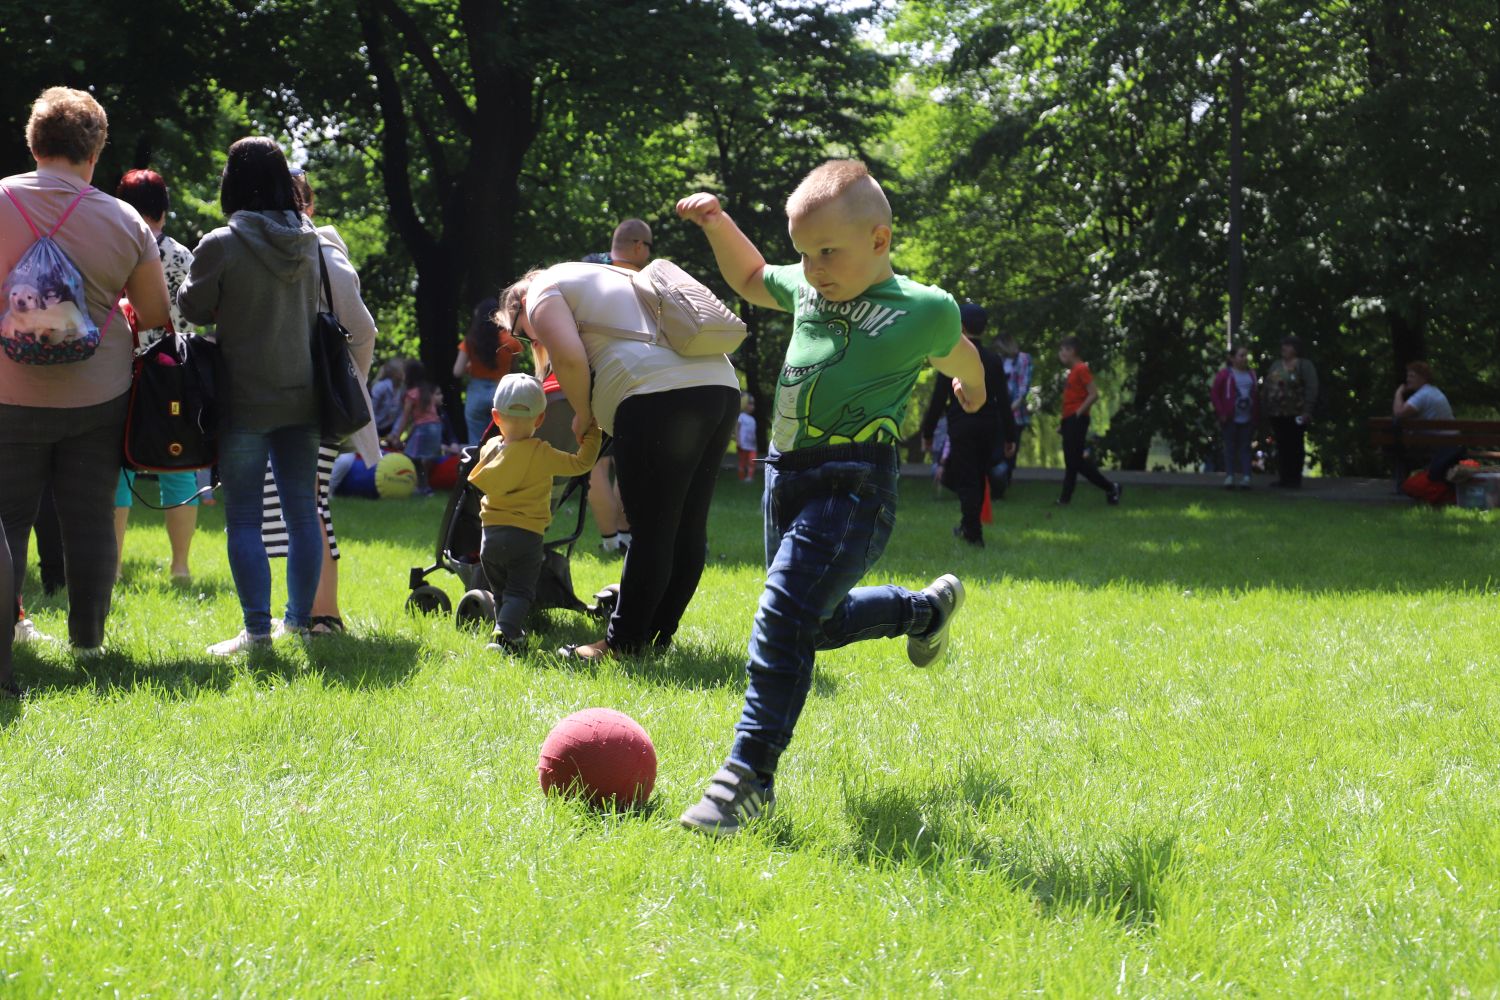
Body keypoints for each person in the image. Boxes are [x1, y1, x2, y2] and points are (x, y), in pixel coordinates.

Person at [673, 159, 987, 836]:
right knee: (811, 624)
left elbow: (959, 351)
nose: (814, 270)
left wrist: (972, 391)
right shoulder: (811, 288)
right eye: (805, 253)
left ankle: (747, 781)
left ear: (879, 240)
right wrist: (717, 223)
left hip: (855, 483)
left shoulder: (923, 307)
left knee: (781, 620)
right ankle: (922, 613)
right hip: (786, 478)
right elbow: (754, 280)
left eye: (827, 252)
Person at [0, 87, 172, 683]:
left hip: (6, 394)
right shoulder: (124, 219)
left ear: (33, 142)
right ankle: (89, 643)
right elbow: (153, 313)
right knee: (90, 518)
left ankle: (8, 637)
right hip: (97, 394)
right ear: (95, 150)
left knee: (6, 521)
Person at [495, 262, 740, 663]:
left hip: (654, 393)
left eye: (521, 331)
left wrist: (581, 413)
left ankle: (623, 643)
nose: (527, 340)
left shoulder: (539, 291)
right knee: (687, 527)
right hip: (720, 386)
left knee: (651, 528)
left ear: (519, 304)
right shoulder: (610, 274)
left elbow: (571, 359)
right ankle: (655, 638)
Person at [177, 136, 324, 656]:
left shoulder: (222, 242)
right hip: (304, 394)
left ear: (232, 182)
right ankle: (300, 624)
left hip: (243, 398)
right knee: (302, 511)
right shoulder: (309, 240)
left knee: (243, 517)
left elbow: (194, 308)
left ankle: (257, 632)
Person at [258, 168, 379, 636]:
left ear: (305, 206)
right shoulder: (288, 248)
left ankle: (323, 615)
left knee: (306, 503)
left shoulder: (322, 249)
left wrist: (350, 384)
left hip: (317, 397)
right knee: (297, 503)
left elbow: (362, 330)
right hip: (294, 395)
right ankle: (310, 611)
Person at [468, 373, 602, 651]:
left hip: (489, 538)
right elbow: (580, 464)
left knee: (502, 591)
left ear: (495, 416)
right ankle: (505, 635)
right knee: (520, 591)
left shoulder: (489, 450)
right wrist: (593, 433)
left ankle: (508, 631)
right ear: (540, 419)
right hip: (526, 537)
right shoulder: (543, 453)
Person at [112, 169, 201, 579]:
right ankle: (180, 567)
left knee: (118, 470)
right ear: (164, 209)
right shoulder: (183, 256)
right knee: (178, 469)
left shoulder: (111, 248)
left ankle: (111, 566)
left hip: (117, 369)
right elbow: (194, 319)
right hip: (172, 375)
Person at [580, 220, 652, 554]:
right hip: (636, 379)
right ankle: (625, 535)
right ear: (639, 246)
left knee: (597, 462)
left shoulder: (586, 271)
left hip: (593, 377)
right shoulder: (645, 282)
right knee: (628, 460)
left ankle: (610, 541)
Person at [920, 302, 1016, 546]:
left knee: (966, 478)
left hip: (962, 424)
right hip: (988, 424)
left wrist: (928, 431)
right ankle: (968, 524)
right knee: (978, 474)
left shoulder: (953, 357)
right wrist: (1010, 436)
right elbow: (1004, 400)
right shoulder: (994, 360)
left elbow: (939, 398)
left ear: (960, 326)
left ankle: (973, 532)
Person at [1056, 336, 1122, 506]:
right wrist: (1064, 422)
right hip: (1070, 420)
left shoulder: (1081, 369)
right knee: (1072, 462)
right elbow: (1071, 399)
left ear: (1072, 351)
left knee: (1074, 462)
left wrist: (1077, 413)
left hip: (1077, 419)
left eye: (1063, 350)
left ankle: (1110, 487)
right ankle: (1065, 499)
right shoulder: (1073, 372)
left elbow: (1094, 394)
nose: (1060, 354)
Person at [454, 297, 523, 445]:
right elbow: (514, 370)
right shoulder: (511, 341)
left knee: (476, 443)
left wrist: (471, 367)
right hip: (500, 393)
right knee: (503, 440)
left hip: (476, 393)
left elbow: (457, 371)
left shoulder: (471, 340)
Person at [1262, 335, 1318, 489]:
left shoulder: (1304, 365)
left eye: (1287, 346)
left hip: (1296, 413)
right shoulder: (1276, 365)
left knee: (1295, 445)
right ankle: (1284, 478)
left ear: (1295, 348)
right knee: (1282, 445)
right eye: (1283, 345)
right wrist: (1265, 406)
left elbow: (1311, 388)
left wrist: (1307, 410)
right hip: (1277, 414)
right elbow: (1267, 386)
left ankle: (1294, 479)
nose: (1284, 348)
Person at [1388, 360, 1454, 486]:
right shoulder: (1434, 392)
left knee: (1397, 446)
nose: (1408, 380)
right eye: (1408, 376)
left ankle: (1402, 484)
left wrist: (1398, 393)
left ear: (1423, 378)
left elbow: (1399, 413)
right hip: (1448, 442)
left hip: (1434, 444)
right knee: (1399, 444)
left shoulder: (1423, 395)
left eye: (1412, 376)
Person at [392, 359, 444, 495]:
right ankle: (423, 487)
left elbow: (406, 417)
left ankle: (422, 487)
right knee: (420, 458)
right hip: (436, 427)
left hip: (423, 429)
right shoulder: (426, 390)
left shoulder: (411, 394)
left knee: (411, 456)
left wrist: (397, 435)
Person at [1211, 344, 1258, 489]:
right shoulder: (1225, 374)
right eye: (1241, 355)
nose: (1244, 358)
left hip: (1247, 417)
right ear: (1232, 358)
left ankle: (1246, 477)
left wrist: (1256, 415)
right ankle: (1230, 476)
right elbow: (1215, 393)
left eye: (1246, 355)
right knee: (1230, 447)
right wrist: (1221, 412)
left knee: (1245, 447)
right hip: (1230, 417)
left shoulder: (1251, 374)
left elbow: (1255, 395)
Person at [995, 332, 1032, 495]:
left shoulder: (1023, 359)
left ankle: (1005, 480)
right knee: (997, 449)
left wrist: (1009, 410)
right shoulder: (999, 360)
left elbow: (1023, 389)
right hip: (998, 413)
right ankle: (997, 482)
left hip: (1015, 415)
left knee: (1011, 449)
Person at [370, 357, 406, 438]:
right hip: (373, 428)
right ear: (395, 373)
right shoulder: (381, 387)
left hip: (387, 429)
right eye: (404, 370)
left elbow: (401, 413)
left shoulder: (402, 390)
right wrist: (372, 433)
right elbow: (371, 409)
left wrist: (394, 433)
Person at [736, 393, 758, 482]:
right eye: (750, 403)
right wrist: (738, 441)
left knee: (752, 461)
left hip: (752, 445)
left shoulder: (753, 419)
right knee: (743, 462)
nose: (752, 406)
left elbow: (753, 433)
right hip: (743, 444)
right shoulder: (741, 417)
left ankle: (749, 477)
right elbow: (736, 429)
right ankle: (741, 477)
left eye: (753, 404)